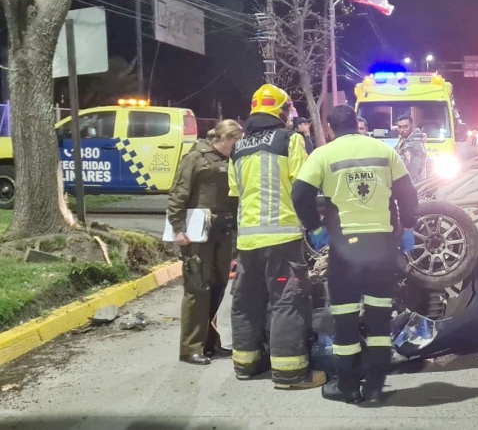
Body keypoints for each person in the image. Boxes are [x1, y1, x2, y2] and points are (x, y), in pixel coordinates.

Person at [291, 105, 419, 405]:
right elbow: (407, 194)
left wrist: (316, 227)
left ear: (331, 128)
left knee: (345, 318)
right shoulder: (384, 151)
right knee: (379, 318)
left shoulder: (323, 154)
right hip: (381, 245)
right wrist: (409, 226)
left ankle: (347, 386)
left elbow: (299, 194)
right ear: (357, 124)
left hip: (345, 247)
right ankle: (375, 388)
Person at [228, 84, 326, 389]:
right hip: (281, 240)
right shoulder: (289, 139)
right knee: (288, 301)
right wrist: (316, 224)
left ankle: (247, 364)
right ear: (281, 112)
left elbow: (235, 194)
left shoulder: (238, 147)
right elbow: (302, 187)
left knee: (247, 301)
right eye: (287, 111)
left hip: (247, 242)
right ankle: (289, 373)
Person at [167, 119, 242, 366]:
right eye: (234, 141)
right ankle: (190, 348)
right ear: (223, 138)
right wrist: (177, 229)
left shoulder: (232, 160)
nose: (237, 146)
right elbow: (179, 193)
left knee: (219, 284)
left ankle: (210, 343)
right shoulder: (196, 157)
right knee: (197, 287)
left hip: (223, 229)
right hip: (197, 230)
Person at [394, 114, 428, 183]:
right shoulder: (403, 141)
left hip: (413, 187)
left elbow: (412, 172)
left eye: (405, 127)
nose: (402, 130)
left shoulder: (415, 145)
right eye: (399, 127)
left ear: (412, 127)